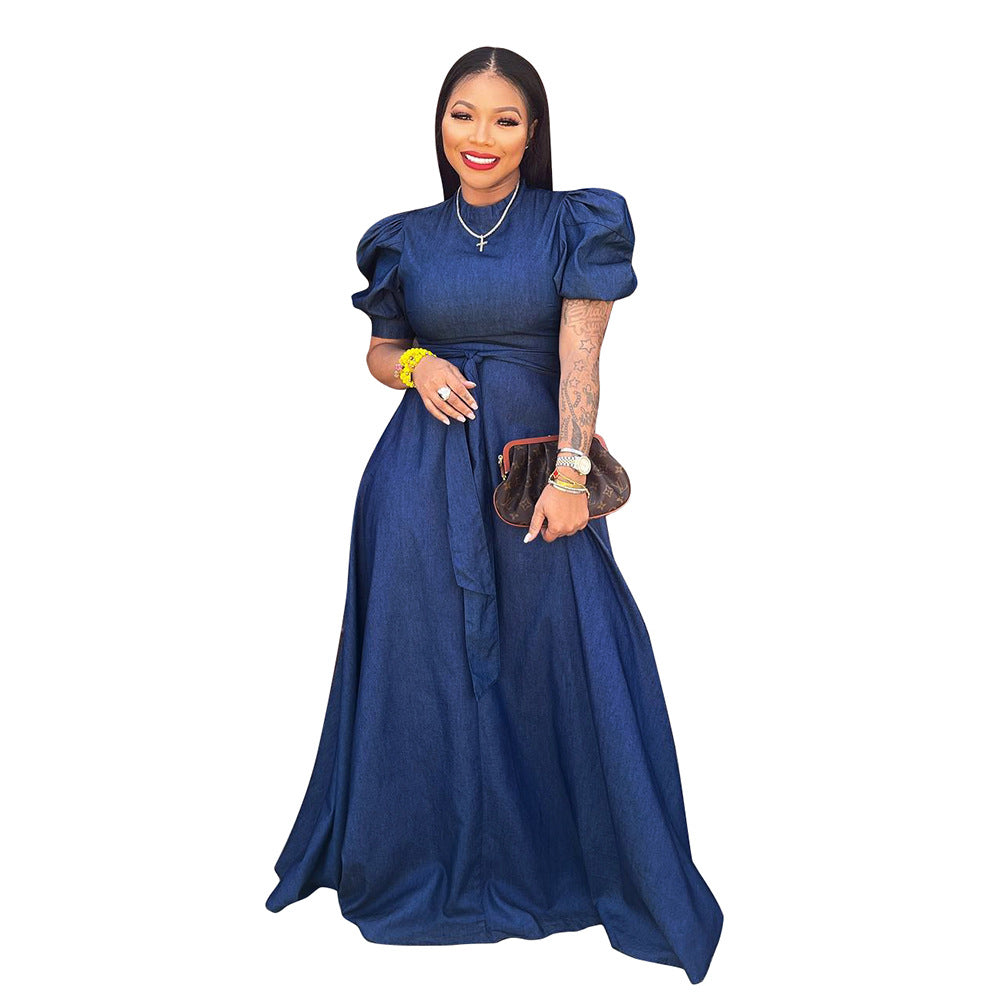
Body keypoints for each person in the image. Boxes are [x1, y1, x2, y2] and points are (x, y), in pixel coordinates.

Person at [265, 46, 724, 984]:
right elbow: (379, 351)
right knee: (422, 670)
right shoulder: (404, 239)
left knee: (570, 654)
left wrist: (571, 473)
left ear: (533, 132)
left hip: (531, 480)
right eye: (463, 115)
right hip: (413, 485)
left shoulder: (574, 224)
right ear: (440, 123)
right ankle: (421, 857)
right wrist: (414, 365)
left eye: (505, 119)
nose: (481, 136)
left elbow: (584, 361)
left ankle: (568, 863)